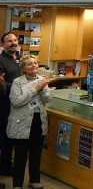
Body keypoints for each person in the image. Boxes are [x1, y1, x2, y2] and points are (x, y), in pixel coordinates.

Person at [7, 55, 49, 189]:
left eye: (35, 63)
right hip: (22, 123)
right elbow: (16, 101)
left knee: (36, 154)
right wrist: (35, 89)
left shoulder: (42, 80)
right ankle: (17, 184)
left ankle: (34, 180)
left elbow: (47, 99)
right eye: (29, 64)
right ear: (23, 68)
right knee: (20, 156)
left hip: (38, 121)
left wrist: (43, 89)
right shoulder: (17, 82)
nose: (33, 66)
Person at [0, 31, 22, 180]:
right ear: (3, 44)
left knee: (10, 137)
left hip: (16, 105)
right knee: (4, 137)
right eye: (9, 41)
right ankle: (4, 167)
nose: (13, 43)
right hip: (4, 105)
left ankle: (7, 166)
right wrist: (16, 87)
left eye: (15, 40)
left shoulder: (17, 59)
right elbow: (1, 84)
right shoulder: (1, 60)